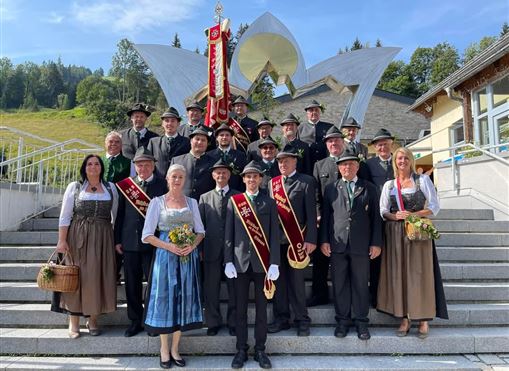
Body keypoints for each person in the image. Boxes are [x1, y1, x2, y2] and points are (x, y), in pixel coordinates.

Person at [377, 147, 448, 339]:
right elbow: (383, 210)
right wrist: (395, 215)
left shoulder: (423, 180)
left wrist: (413, 215)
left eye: (406, 158)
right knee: (400, 275)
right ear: (395, 161)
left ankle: (423, 319)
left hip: (418, 232)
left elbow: (434, 207)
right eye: (399, 158)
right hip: (396, 233)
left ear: (411, 160)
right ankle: (405, 318)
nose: (402, 161)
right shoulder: (389, 185)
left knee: (420, 273)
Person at [142, 164, 205, 368]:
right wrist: (169, 246)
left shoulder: (192, 202)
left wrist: (192, 246)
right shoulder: (157, 202)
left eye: (180, 177)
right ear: (167, 179)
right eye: (173, 177)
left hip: (187, 258)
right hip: (165, 257)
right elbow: (147, 235)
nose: (177, 180)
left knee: (181, 300)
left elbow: (201, 231)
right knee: (165, 299)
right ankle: (163, 349)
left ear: (184, 180)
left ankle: (176, 348)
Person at [319, 149, 382, 340]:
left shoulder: (369, 188)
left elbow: (376, 220)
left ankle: (362, 322)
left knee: (361, 284)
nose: (347, 167)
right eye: (344, 164)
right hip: (337, 245)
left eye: (351, 164)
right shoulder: (331, 188)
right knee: (339, 285)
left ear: (357, 166)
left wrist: (376, 243)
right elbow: (327, 217)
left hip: (361, 245)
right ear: (339, 168)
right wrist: (324, 240)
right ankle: (342, 322)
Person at [52, 154, 118, 339]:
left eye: (97, 164)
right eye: (89, 164)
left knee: (97, 277)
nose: (93, 167)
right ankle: (73, 322)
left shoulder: (111, 188)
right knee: (76, 277)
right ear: (84, 167)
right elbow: (65, 216)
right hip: (77, 236)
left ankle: (93, 319)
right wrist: (62, 240)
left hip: (103, 237)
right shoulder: (75, 187)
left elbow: (115, 217)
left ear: (101, 167)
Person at [224, 160, 280, 369]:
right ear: (244, 179)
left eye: (255, 176)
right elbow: (228, 234)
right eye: (248, 176)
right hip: (239, 264)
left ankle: (260, 350)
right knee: (239, 309)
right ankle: (240, 349)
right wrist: (228, 260)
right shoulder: (234, 201)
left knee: (262, 310)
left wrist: (274, 262)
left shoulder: (269, 203)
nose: (252, 180)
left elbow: (275, 235)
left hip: (262, 265)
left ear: (260, 179)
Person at [114, 147, 167, 338]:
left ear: (153, 166)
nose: (143, 168)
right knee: (131, 284)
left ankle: (152, 320)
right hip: (129, 243)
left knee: (153, 284)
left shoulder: (163, 185)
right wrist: (117, 239)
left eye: (146, 164)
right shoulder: (126, 186)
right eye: (139, 164)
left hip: (154, 243)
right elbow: (120, 215)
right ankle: (135, 320)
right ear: (135, 167)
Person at [267, 145, 317, 337]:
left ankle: (302, 319)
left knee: (297, 283)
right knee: (278, 281)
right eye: (280, 161)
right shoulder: (273, 184)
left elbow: (312, 215)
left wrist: (311, 239)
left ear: (295, 161)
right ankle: (282, 318)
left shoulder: (306, 182)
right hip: (276, 241)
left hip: (297, 240)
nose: (283, 164)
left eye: (286, 160)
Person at [198, 158, 240, 337]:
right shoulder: (204, 198)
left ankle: (233, 322)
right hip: (211, 249)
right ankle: (213, 322)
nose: (221, 175)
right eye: (218, 172)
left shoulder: (239, 196)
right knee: (211, 288)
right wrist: (199, 248)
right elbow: (199, 226)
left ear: (229, 175)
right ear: (213, 175)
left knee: (234, 288)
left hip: (235, 250)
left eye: (224, 172)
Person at [308, 125, 345, 307]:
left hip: (345, 221)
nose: (334, 143)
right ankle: (319, 294)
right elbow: (315, 194)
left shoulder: (351, 162)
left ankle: (343, 295)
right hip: (324, 221)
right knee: (320, 261)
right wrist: (317, 214)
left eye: (337, 139)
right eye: (330, 141)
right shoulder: (319, 165)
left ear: (343, 142)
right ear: (326, 145)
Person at [365, 128, 395, 307]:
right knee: (376, 257)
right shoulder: (368, 165)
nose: (382, 147)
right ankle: (375, 295)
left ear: (391, 144)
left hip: (397, 216)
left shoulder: (399, 161)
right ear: (375, 147)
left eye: (385, 143)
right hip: (376, 216)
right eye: (379, 144)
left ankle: (394, 295)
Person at [170, 127, 216, 200]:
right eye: (197, 139)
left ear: (207, 144)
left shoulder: (215, 163)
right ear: (191, 141)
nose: (200, 142)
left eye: (203, 140)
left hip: (206, 205)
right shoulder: (176, 161)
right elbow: (170, 184)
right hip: (181, 203)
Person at [147, 107, 191, 177]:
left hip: (179, 183)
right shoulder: (153, 142)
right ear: (162, 124)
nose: (169, 123)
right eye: (167, 121)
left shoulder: (187, 142)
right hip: (158, 183)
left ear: (178, 123)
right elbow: (148, 163)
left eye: (173, 121)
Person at [207, 123, 247, 192]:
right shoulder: (209, 155)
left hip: (236, 193)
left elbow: (243, 177)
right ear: (217, 138)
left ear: (231, 138)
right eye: (221, 135)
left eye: (227, 135)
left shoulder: (241, 155)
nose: (224, 137)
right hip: (215, 194)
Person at [297, 100, 333, 168]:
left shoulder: (329, 127)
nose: (314, 112)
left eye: (316, 110)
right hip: (306, 165)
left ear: (320, 112)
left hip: (325, 164)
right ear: (307, 113)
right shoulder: (300, 129)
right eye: (311, 110)